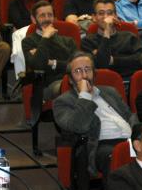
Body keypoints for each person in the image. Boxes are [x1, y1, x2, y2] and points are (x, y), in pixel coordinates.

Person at [53, 52, 135, 180]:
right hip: (100, 145)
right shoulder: (62, 102)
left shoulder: (110, 92)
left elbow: (130, 116)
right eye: (78, 71)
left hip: (130, 140)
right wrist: (84, 95)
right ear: (70, 79)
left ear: (94, 73)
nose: (84, 75)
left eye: (87, 69)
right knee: (114, 156)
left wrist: (141, 135)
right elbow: (79, 126)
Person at [22, 0, 78, 99]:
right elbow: (38, 65)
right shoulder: (28, 41)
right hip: (47, 85)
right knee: (68, 87)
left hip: (73, 79)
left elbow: (76, 66)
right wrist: (45, 37)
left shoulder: (68, 41)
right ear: (34, 19)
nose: (47, 19)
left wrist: (51, 63)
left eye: (50, 15)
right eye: (42, 16)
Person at [82, 0, 142, 79]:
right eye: (101, 13)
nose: (106, 17)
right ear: (94, 17)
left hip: (131, 80)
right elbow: (102, 64)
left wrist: (113, 60)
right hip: (103, 84)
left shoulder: (129, 36)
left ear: (115, 15)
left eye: (110, 13)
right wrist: (107, 31)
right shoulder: (87, 41)